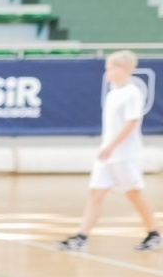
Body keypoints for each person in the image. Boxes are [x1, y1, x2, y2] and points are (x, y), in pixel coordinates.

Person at [59, 50, 159, 252]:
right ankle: (82, 236)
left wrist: (112, 146)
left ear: (124, 70)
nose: (107, 73)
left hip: (125, 155)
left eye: (111, 69)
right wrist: (107, 148)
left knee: (133, 194)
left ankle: (154, 233)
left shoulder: (133, 93)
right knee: (96, 193)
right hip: (108, 154)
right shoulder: (114, 92)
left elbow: (132, 123)